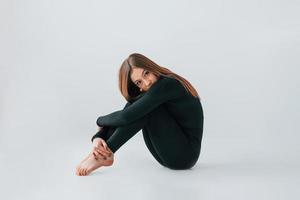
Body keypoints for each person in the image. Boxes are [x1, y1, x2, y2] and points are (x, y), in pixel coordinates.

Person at [75, 53, 204, 176]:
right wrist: (98, 137)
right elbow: (127, 114)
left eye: (146, 73)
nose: (146, 82)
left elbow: (126, 117)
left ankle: (105, 155)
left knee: (148, 109)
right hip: (167, 154)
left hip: (185, 155)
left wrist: (99, 121)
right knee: (141, 106)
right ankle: (100, 154)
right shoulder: (154, 89)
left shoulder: (167, 84)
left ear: (151, 67)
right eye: (139, 82)